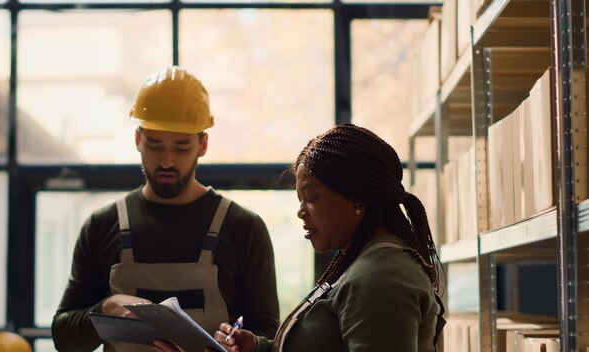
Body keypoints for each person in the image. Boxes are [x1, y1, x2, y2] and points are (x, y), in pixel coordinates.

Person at [51, 66, 280, 351]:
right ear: (138, 140)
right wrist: (106, 307)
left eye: (181, 147)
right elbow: (63, 335)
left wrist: (240, 345)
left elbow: (269, 338)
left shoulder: (244, 228)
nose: (167, 160)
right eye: (155, 145)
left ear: (203, 145)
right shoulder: (102, 225)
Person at [180, 123, 446, 352]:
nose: (301, 211)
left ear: (357, 196)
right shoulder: (365, 266)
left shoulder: (380, 277)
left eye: (312, 198)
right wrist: (259, 348)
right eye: (300, 200)